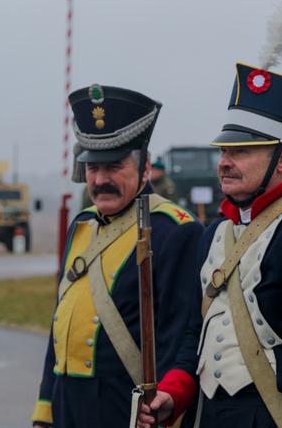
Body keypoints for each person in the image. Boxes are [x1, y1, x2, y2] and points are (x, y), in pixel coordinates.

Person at [138, 56, 282, 428]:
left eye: (241, 151)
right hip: (207, 415)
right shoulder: (213, 235)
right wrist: (172, 395)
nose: (225, 161)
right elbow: (198, 333)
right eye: (224, 151)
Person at [31, 84, 204, 428]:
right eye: (92, 168)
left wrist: (163, 406)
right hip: (68, 406)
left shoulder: (175, 230)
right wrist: (45, 412)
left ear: (144, 167)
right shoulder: (81, 227)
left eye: (113, 166)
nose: (100, 179)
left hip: (126, 409)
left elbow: (182, 335)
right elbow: (60, 330)